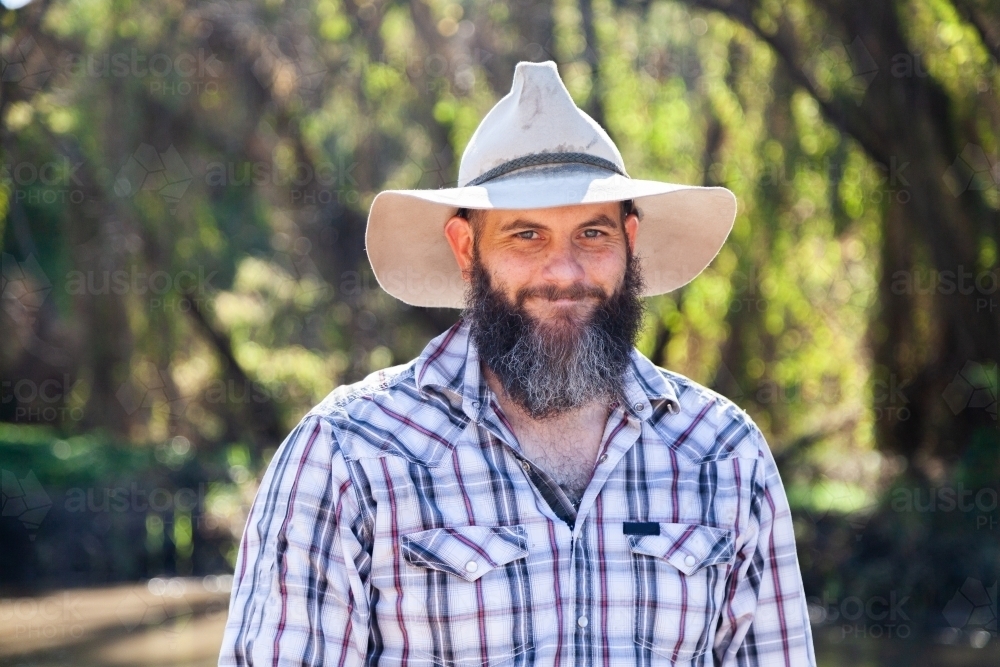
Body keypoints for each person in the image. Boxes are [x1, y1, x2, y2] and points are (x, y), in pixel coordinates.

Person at [219, 61, 817, 666]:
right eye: (526, 235)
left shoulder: (725, 455)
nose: (564, 273)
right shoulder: (348, 456)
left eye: (591, 234)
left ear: (630, 241)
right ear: (465, 248)